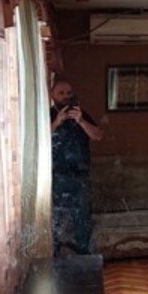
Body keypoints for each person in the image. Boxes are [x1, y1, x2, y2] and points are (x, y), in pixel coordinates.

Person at [49, 78, 104, 254]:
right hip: (56, 176)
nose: (65, 96)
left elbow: (98, 136)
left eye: (69, 93)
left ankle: (83, 253)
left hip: (80, 175)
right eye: (61, 93)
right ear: (52, 95)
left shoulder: (82, 115)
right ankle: (56, 254)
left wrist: (81, 121)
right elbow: (40, 139)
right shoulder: (48, 115)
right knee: (57, 218)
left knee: (83, 217)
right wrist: (57, 122)